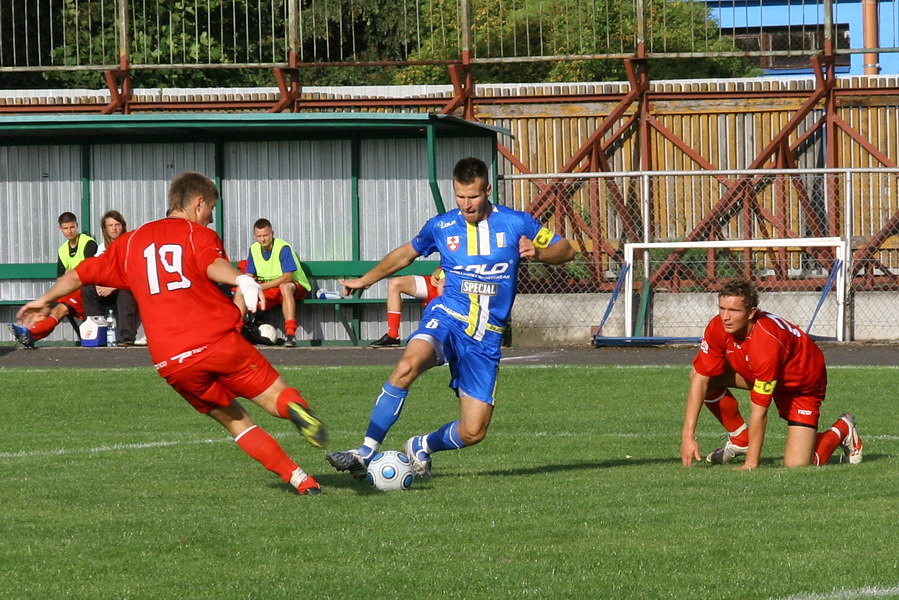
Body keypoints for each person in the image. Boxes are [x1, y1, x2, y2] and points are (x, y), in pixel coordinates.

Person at [16, 172, 327, 495]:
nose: (210, 218)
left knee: (237, 423)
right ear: (198, 202)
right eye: (210, 209)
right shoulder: (197, 234)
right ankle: (292, 408)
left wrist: (43, 299)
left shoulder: (131, 241)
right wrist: (241, 279)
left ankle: (301, 480)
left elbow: (81, 273)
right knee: (276, 395)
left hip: (173, 361)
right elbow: (211, 264)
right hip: (216, 341)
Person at [326, 157, 575, 480]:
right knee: (407, 365)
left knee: (474, 431)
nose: (466, 204)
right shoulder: (442, 226)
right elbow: (406, 254)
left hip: (486, 337)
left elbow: (566, 250)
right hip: (448, 316)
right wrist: (364, 280)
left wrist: (539, 254)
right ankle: (364, 452)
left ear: (487, 190)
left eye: (473, 196)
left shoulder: (517, 223)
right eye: (460, 196)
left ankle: (421, 445)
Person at [680, 278, 863, 470]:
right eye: (722, 308)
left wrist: (751, 463)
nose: (726, 316)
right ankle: (740, 439)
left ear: (751, 313)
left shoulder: (765, 343)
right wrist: (687, 436)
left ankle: (842, 429)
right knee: (700, 376)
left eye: (734, 311)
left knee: (797, 465)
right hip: (761, 372)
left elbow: (759, 410)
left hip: (801, 385)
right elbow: (700, 379)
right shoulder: (718, 326)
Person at [8, 212, 97, 349]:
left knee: (59, 310)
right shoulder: (62, 250)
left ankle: (30, 333)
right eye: (66, 228)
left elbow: (89, 272)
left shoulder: (88, 243)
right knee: (48, 308)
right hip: (70, 289)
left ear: (77, 226)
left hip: (86, 290)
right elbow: (61, 277)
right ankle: (30, 335)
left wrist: (70, 274)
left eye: (72, 227)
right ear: (60, 229)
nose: (69, 231)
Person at [233, 218, 311, 348]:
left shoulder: (283, 247)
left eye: (265, 235)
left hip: (295, 286)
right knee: (242, 290)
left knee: (285, 287)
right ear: (255, 236)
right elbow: (248, 276)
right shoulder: (253, 249)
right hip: (269, 288)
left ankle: (290, 334)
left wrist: (259, 286)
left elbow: (287, 277)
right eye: (259, 236)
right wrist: (248, 286)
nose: (262, 239)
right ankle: (237, 332)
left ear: (272, 234)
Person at [81, 210, 142, 347]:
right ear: (105, 228)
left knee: (125, 293)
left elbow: (134, 273)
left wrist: (113, 287)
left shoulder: (130, 245)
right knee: (88, 289)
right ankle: (95, 333)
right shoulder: (101, 248)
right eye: (110, 225)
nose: (114, 228)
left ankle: (126, 338)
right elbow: (97, 270)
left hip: (124, 287)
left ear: (122, 226)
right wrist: (97, 284)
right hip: (106, 288)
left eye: (117, 225)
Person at [369, 266, 445, 347]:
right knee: (395, 283)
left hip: (453, 285)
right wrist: (439, 268)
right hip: (436, 281)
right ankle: (393, 335)